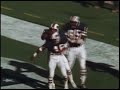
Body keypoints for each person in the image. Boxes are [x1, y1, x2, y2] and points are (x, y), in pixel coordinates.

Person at [30, 23, 77, 89]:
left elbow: (68, 43)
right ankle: (51, 84)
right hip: (52, 55)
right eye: (51, 29)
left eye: (53, 30)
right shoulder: (50, 41)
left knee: (66, 71)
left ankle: (70, 82)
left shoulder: (62, 37)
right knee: (51, 73)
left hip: (60, 56)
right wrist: (35, 54)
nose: (51, 31)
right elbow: (42, 44)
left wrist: (65, 48)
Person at [61, 16, 88, 89]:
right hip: (71, 49)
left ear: (78, 22)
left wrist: (72, 40)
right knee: (69, 67)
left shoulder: (83, 26)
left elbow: (82, 40)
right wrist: (64, 46)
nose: (73, 24)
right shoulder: (66, 26)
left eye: (74, 22)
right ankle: (67, 79)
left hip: (80, 48)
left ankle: (82, 83)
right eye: (71, 22)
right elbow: (62, 36)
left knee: (83, 66)